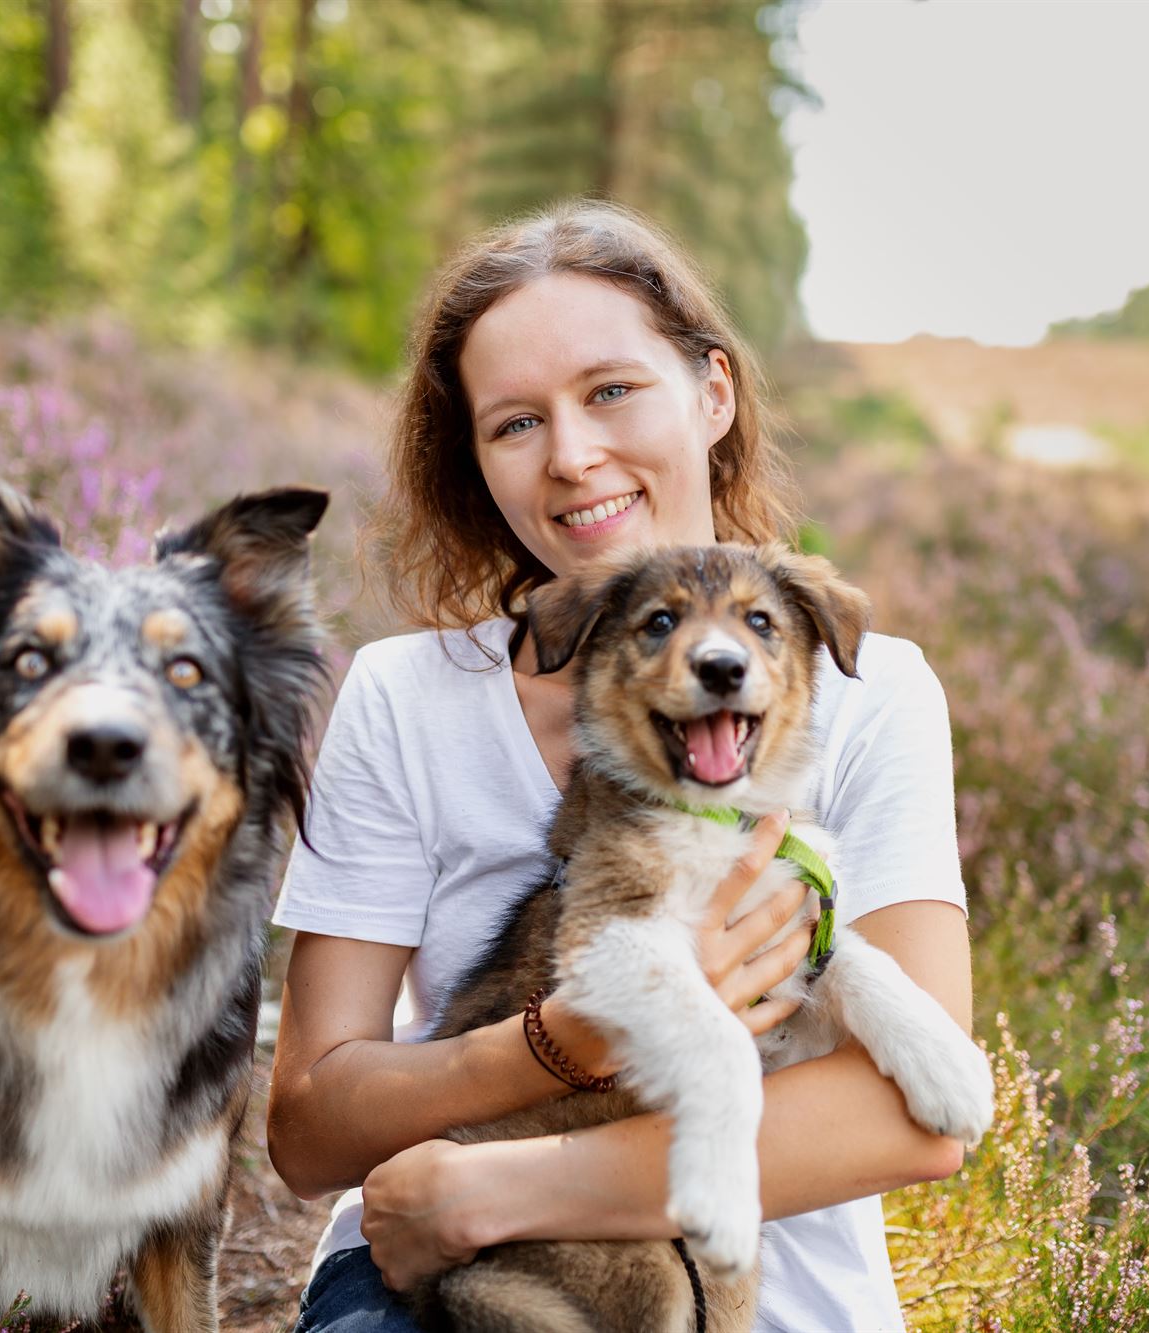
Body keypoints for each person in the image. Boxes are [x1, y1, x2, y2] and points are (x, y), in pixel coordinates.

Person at [266, 199, 977, 1332]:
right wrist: (560, 1042)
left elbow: (919, 1117)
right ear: (477, 463)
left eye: (609, 390)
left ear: (712, 393)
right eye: (513, 423)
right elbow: (307, 1132)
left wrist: (494, 1186)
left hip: (762, 1295)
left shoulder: (868, 690)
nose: (571, 455)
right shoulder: (405, 696)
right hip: (436, 1282)